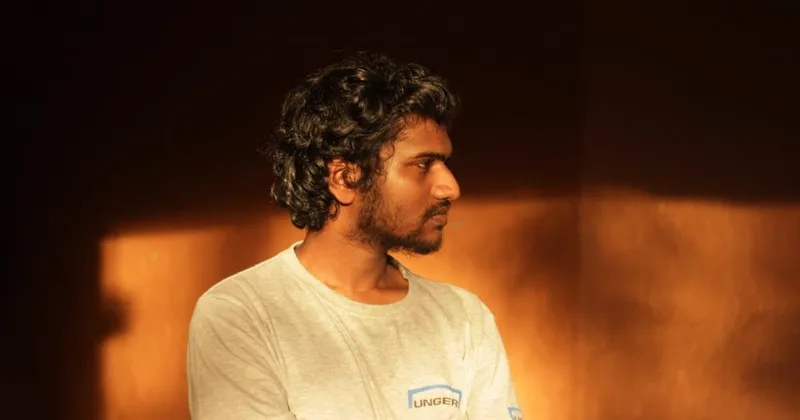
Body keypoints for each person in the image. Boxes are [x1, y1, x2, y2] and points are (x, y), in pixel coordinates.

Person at [186, 52, 524, 420]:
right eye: (423, 164)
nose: (450, 187)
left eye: (445, 164)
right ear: (345, 178)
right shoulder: (241, 314)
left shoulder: (464, 317)